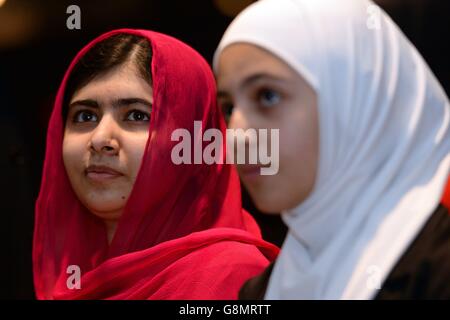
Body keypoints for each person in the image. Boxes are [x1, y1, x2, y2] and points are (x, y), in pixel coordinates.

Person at [214, 0, 450, 299]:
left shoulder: (438, 265)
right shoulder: (263, 289)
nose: (237, 136)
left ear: (356, 98)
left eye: (267, 96)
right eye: (228, 107)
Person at [33, 29, 279, 300]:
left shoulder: (228, 276)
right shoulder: (75, 273)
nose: (100, 138)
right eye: (84, 116)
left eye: (137, 115)